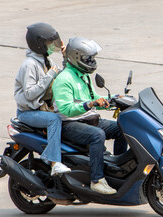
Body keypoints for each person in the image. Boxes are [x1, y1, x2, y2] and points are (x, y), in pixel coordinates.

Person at [52, 37, 127, 194]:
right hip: (70, 124)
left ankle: (120, 172)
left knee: (123, 128)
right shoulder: (64, 79)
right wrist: (90, 105)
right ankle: (97, 180)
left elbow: (93, 98)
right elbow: (66, 109)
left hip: (89, 120)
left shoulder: (83, 74)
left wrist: (113, 99)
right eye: (88, 58)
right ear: (76, 57)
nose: (91, 61)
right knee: (97, 135)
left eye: (92, 58)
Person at [14, 22, 71, 175]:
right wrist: (49, 76)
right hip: (28, 112)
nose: (52, 45)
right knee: (54, 120)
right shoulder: (29, 65)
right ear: (39, 44)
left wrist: (65, 59)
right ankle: (54, 162)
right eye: (49, 43)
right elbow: (30, 94)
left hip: (43, 108)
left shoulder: (47, 61)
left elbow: (62, 79)